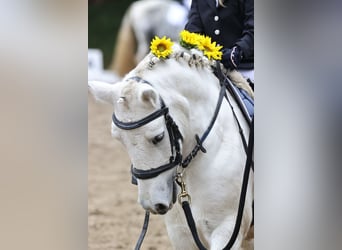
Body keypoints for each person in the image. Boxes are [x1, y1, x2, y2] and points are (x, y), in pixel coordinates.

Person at [185, 0, 254, 83]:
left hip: (245, 67)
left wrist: (238, 51)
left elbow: (253, 30)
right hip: (211, 67)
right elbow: (193, 29)